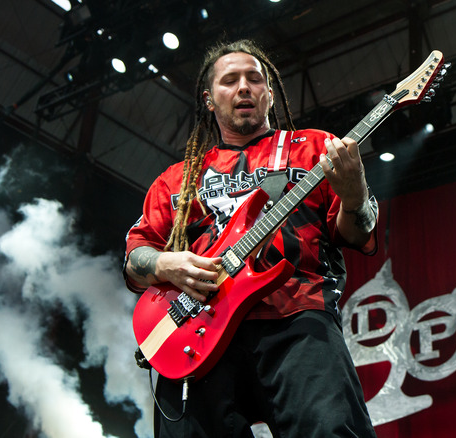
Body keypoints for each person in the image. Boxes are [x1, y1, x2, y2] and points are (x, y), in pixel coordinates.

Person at [124, 39, 379, 438]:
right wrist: (164, 263)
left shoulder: (313, 149)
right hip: (198, 330)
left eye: (254, 79)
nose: (244, 87)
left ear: (270, 93)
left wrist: (355, 192)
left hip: (297, 316)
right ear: (209, 99)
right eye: (230, 80)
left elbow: (357, 231)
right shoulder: (177, 179)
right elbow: (135, 258)